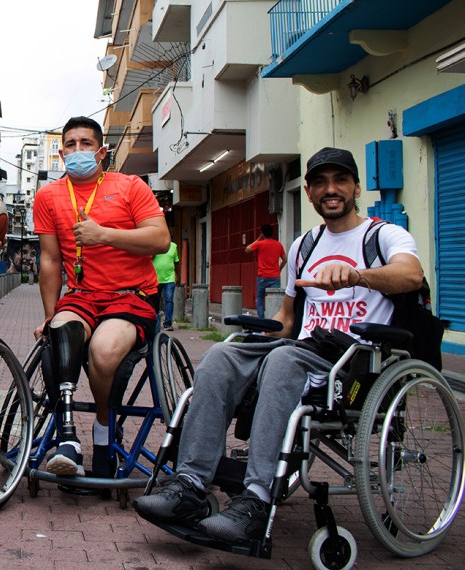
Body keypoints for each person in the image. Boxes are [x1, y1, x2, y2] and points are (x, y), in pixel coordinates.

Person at [134, 147, 424, 545]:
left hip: (355, 362)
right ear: (308, 192)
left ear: (357, 187)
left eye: (340, 180)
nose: (331, 189)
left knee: (285, 361)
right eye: (320, 182)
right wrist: (253, 347)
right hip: (303, 348)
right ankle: (190, 485)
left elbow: (411, 276)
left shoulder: (384, 235)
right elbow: (287, 321)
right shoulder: (305, 245)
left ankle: (256, 498)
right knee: (222, 356)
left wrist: (358, 276)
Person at [32, 116, 170, 478]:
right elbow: (49, 259)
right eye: (72, 145)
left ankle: (104, 428)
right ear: (62, 153)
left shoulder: (130, 187)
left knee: (103, 352)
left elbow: (159, 240)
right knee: (59, 332)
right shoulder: (48, 196)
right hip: (82, 296)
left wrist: (103, 235)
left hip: (131, 295)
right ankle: (68, 437)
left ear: (102, 151)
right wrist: (50, 314)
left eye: (86, 144)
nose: (78, 150)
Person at [245, 224, 287, 318]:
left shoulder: (260, 244)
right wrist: (279, 269)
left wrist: (258, 239)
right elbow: (285, 259)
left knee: (260, 297)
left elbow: (247, 250)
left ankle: (261, 318)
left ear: (262, 233)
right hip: (275, 276)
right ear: (272, 233)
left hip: (262, 275)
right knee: (275, 297)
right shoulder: (278, 245)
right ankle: (274, 317)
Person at [152, 241, 180, 331]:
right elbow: (148, 258)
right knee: (155, 301)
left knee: (169, 300)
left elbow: (176, 262)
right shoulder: (153, 244)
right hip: (155, 278)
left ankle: (168, 324)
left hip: (170, 278)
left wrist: (177, 276)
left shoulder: (173, 246)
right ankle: (155, 322)